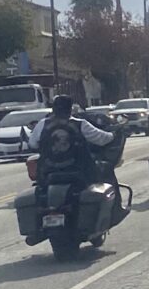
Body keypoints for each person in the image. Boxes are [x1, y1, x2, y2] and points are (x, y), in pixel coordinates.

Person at [28, 95, 128, 228]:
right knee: (107, 170)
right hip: (78, 171)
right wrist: (114, 134)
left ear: (53, 109)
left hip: (48, 172)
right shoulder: (80, 124)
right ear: (70, 109)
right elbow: (102, 139)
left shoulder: (42, 124)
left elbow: (32, 144)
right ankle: (116, 211)